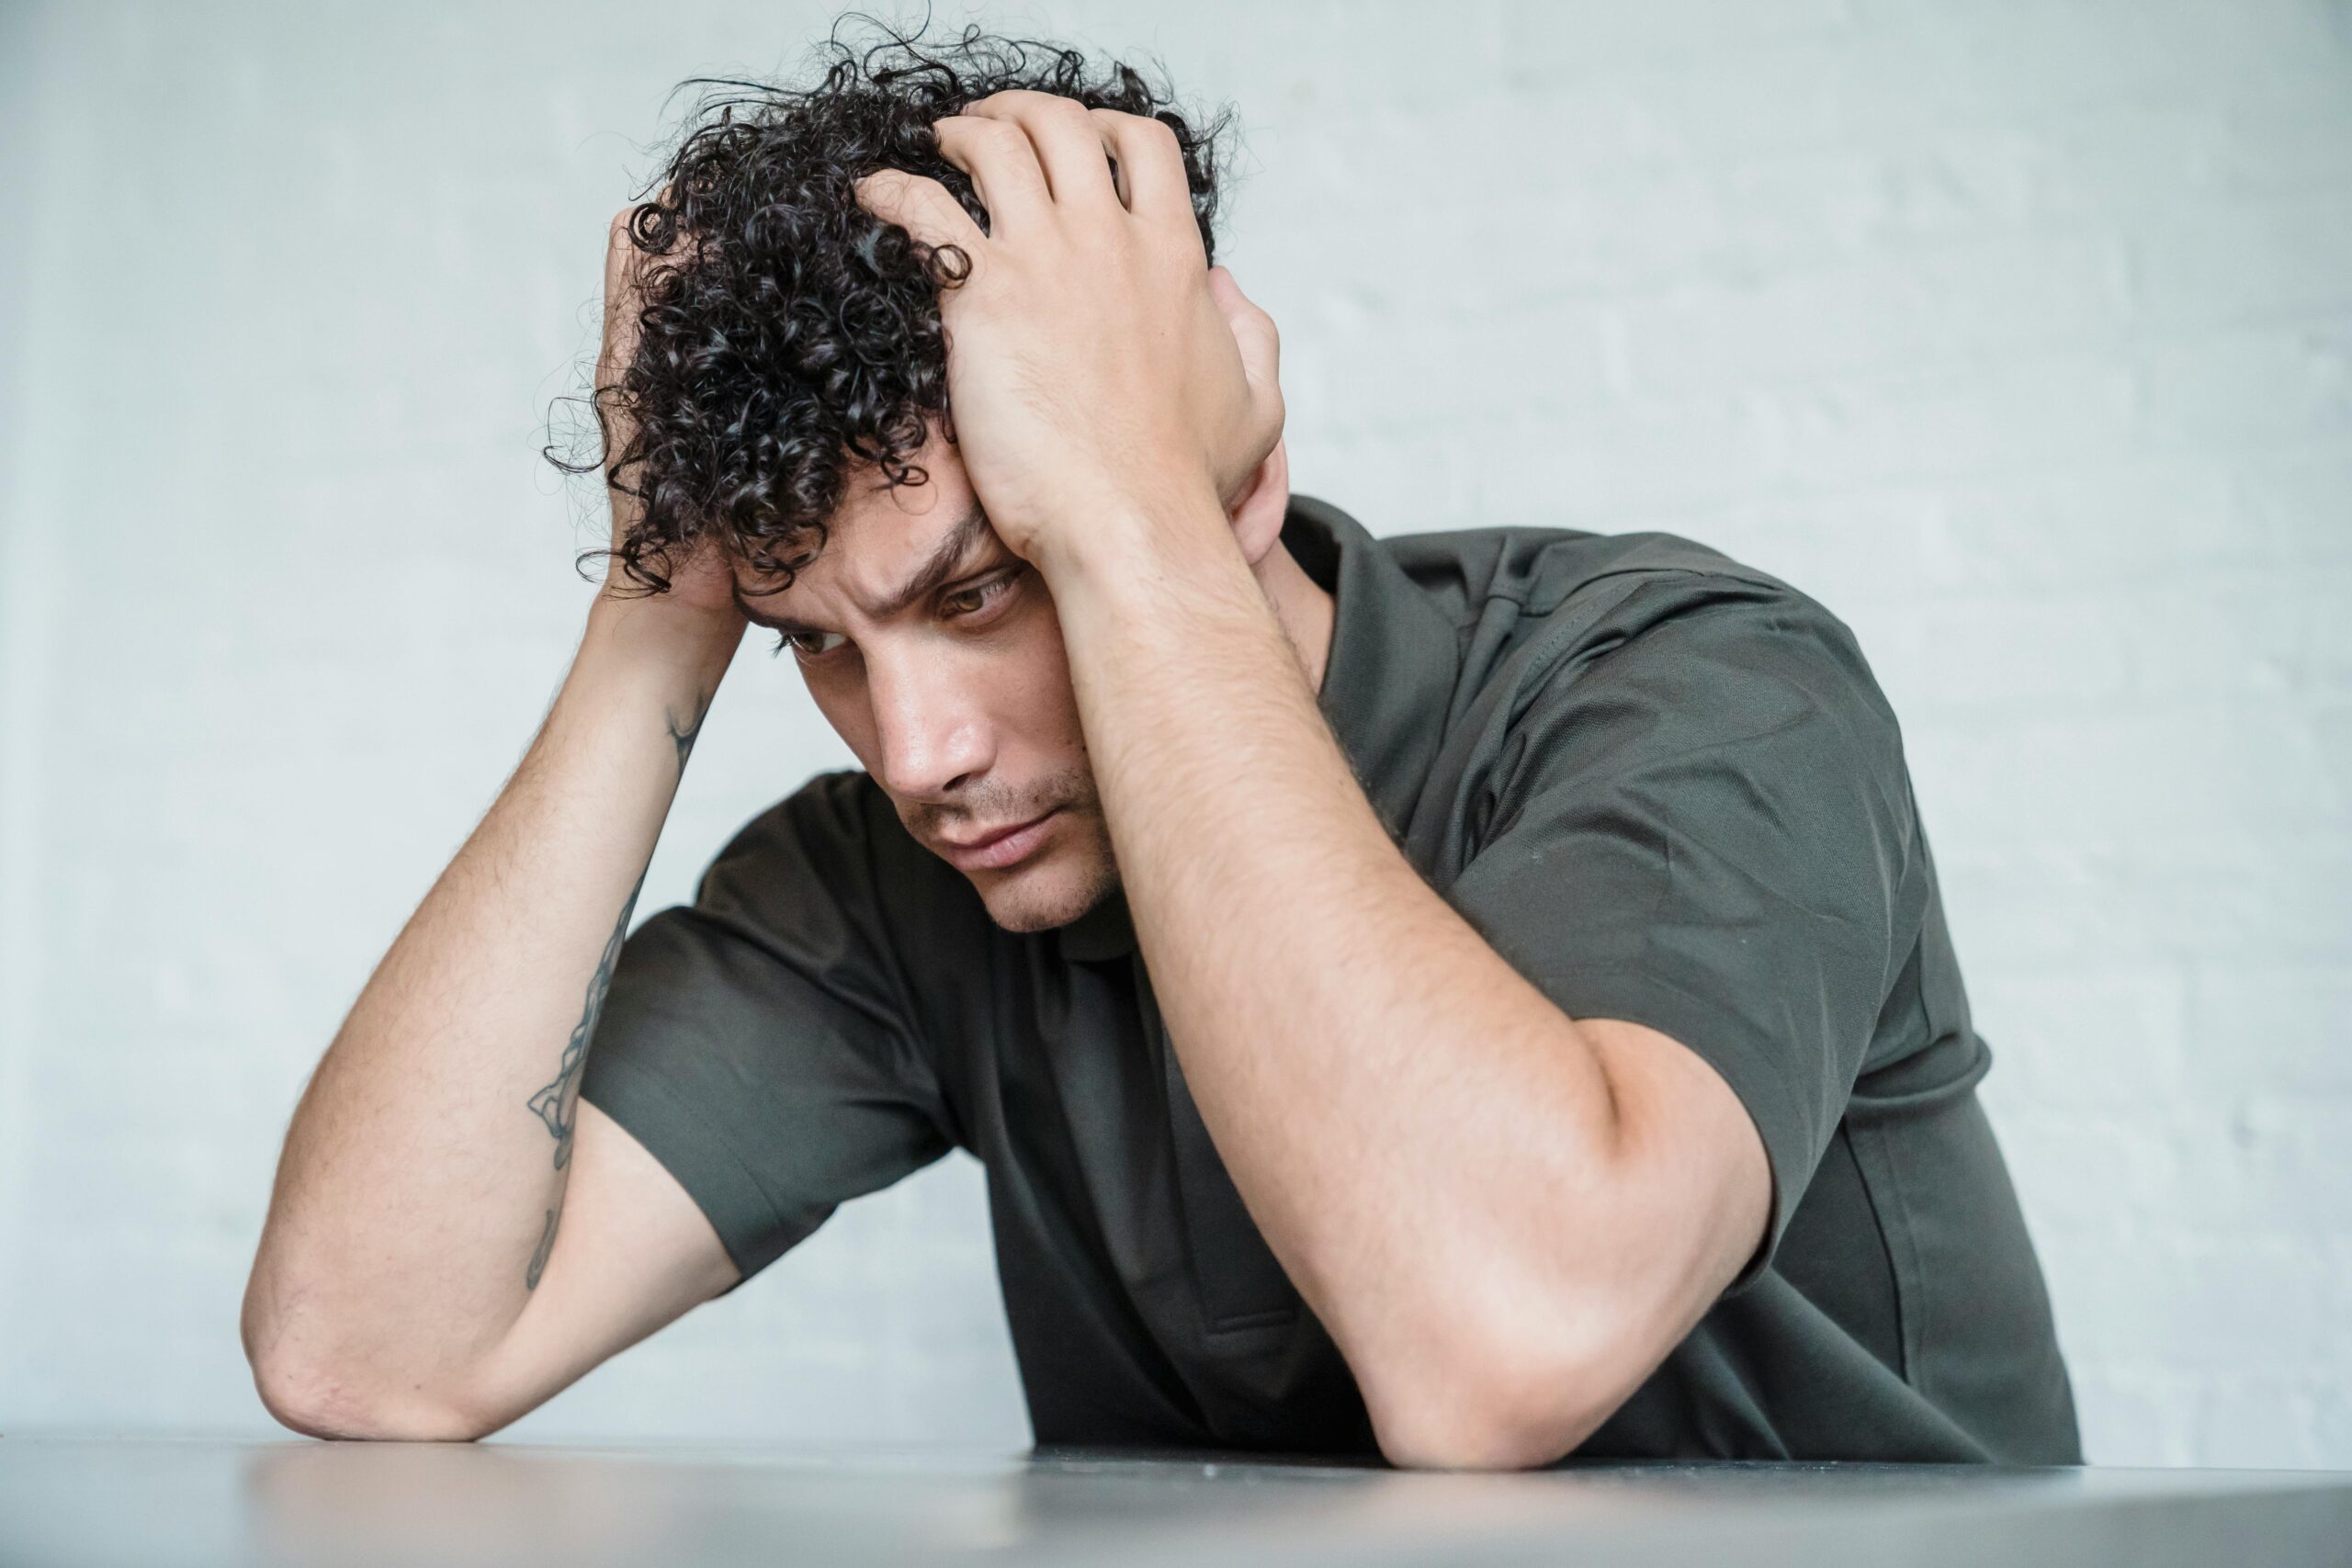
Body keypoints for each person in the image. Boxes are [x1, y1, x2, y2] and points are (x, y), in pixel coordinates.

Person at [241, 23, 2081, 1469]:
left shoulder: (1694, 685)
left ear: (1241, 455)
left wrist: (1127, 518)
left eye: (981, 589)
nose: (917, 751)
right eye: (817, 642)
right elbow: (364, 1343)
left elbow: (1502, 1338)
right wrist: (659, 600)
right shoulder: (885, 892)